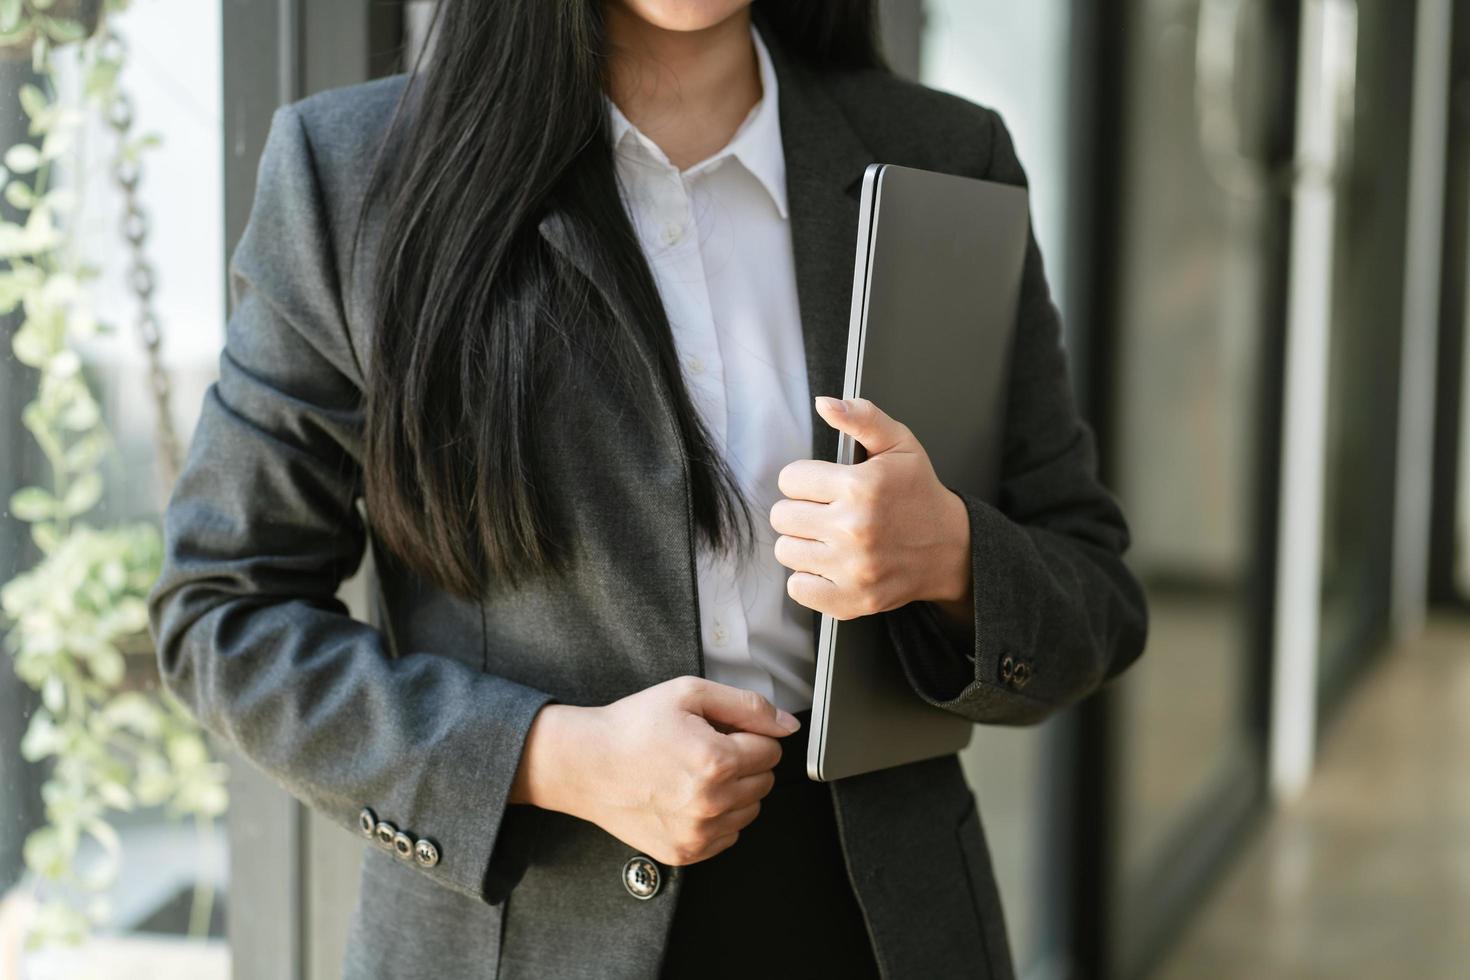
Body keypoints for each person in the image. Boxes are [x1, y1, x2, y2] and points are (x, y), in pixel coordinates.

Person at [146, 1, 1149, 977]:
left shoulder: (942, 155)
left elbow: (1093, 593)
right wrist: (552, 753)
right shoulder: (356, 175)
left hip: (880, 924)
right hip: (521, 925)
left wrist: (955, 557)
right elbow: (225, 614)